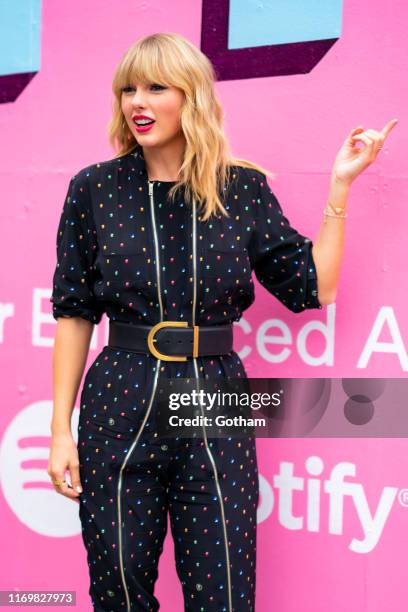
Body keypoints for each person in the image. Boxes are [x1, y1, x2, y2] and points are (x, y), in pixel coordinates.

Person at [47, 32, 397, 612]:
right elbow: (75, 311)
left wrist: (341, 185)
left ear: (193, 97)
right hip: (120, 393)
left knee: (226, 592)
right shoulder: (94, 189)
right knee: (119, 589)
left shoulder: (242, 189)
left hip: (217, 394)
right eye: (129, 87)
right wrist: (61, 428)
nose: (139, 100)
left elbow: (314, 287)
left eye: (157, 87)